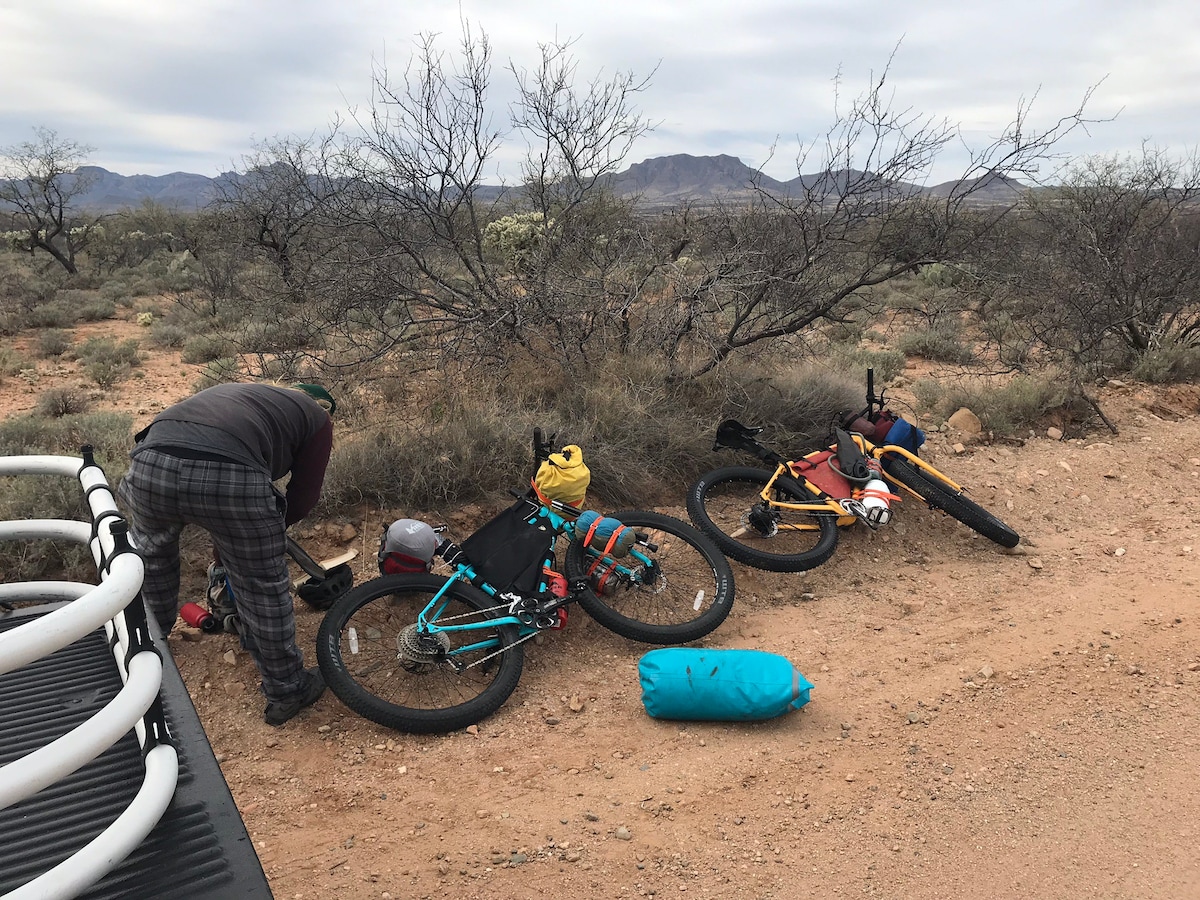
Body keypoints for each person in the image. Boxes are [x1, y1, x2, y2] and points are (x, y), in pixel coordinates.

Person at [117, 381, 336, 726]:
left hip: (151, 464)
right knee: (260, 584)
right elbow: (304, 498)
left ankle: (144, 655)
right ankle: (288, 689)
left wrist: (229, 542)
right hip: (227, 473)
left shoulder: (247, 396)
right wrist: (253, 542)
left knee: (152, 564)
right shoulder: (318, 419)